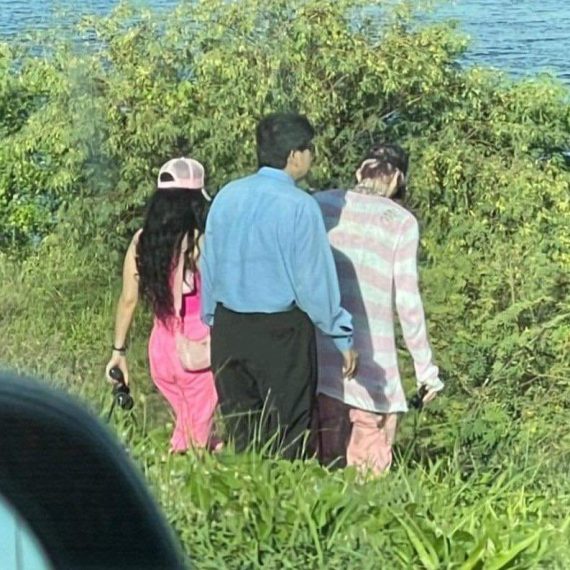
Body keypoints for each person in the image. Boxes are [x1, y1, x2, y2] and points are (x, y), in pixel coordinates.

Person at [201, 112, 358, 459]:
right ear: (294, 155)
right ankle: (283, 492)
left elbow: (209, 264)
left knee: (242, 431)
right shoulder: (300, 206)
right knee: (289, 434)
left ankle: (244, 490)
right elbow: (314, 284)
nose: (312, 155)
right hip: (280, 333)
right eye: (309, 148)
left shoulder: (227, 196)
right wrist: (342, 336)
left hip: (228, 328)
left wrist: (211, 319)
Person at [313, 144, 444, 475]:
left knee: (320, 460)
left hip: (318, 353)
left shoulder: (320, 204)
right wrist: (426, 371)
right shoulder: (401, 222)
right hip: (373, 364)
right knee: (367, 470)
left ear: (360, 171)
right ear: (398, 180)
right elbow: (407, 302)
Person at [105, 157, 218, 453]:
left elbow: (128, 300)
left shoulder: (141, 242)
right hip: (196, 350)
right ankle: (172, 476)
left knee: (191, 426)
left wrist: (118, 352)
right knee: (192, 441)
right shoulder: (200, 242)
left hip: (161, 349)